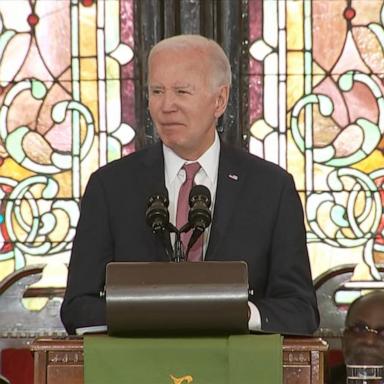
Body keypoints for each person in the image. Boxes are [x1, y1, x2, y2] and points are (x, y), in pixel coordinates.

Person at [60, 34, 319, 335]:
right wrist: (159, 312)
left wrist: (228, 311)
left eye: (182, 91)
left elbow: (301, 311)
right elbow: (77, 308)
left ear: (219, 100)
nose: (166, 105)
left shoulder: (271, 189)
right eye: (157, 91)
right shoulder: (109, 187)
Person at [329, 290, 384, 383]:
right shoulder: (320, 379)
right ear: (345, 339)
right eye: (360, 329)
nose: (369, 341)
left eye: (383, 333)